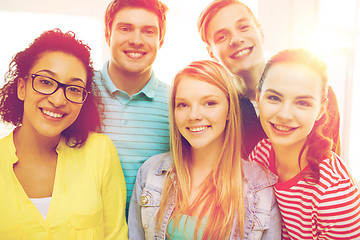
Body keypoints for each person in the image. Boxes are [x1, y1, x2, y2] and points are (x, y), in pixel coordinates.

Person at [128, 60, 281, 239]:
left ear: (229, 108)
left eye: (209, 103)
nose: (194, 116)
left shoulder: (259, 185)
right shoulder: (151, 174)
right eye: (183, 105)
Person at [0, 29, 128, 239]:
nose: (59, 100)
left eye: (74, 89)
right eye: (46, 82)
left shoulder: (100, 152)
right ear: (21, 88)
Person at [197, 0, 341, 158]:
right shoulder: (217, 109)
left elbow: (331, 169)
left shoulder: (317, 96)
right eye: (222, 37)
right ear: (211, 53)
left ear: (261, 32)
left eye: (244, 27)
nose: (236, 40)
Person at [249, 49, 360, 239]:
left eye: (302, 103)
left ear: (320, 110)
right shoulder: (260, 154)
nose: (284, 114)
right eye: (274, 98)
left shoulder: (333, 193)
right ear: (259, 98)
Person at [93, 0, 170, 211]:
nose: (137, 40)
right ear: (108, 34)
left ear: (160, 40)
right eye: (125, 29)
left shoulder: (177, 103)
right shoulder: (78, 91)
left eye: (148, 31)